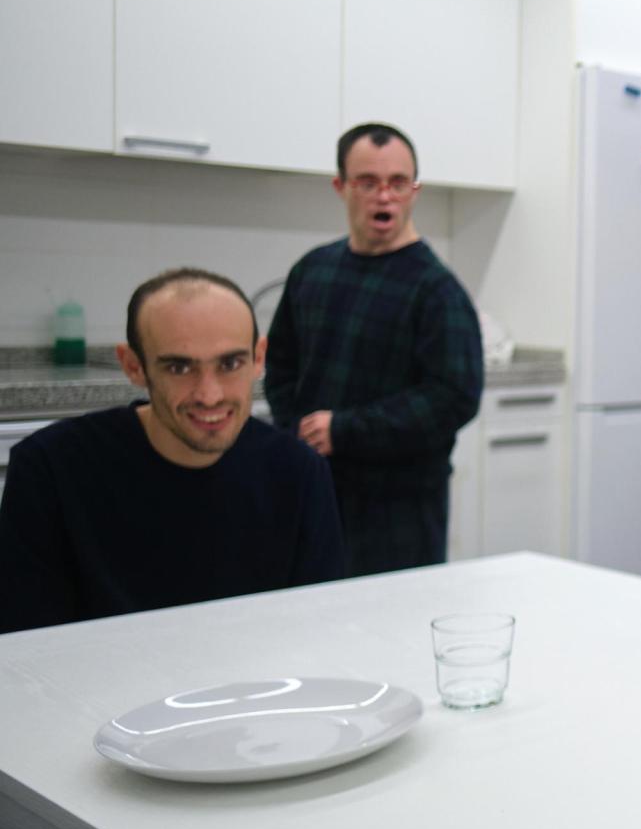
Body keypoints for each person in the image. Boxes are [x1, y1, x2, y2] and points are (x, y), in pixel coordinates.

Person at [0, 269, 343, 633]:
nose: (209, 395)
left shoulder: (299, 472)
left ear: (259, 358)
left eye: (230, 364)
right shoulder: (50, 469)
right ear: (133, 366)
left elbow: (317, 628)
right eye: (179, 367)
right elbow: (25, 642)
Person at [267, 123, 483, 576]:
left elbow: (453, 397)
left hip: (399, 509)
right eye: (367, 183)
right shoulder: (312, 270)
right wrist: (297, 434)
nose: (384, 197)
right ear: (341, 187)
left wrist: (344, 430)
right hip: (316, 491)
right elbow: (282, 366)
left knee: (394, 617)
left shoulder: (436, 290)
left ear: (414, 191)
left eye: (397, 183)